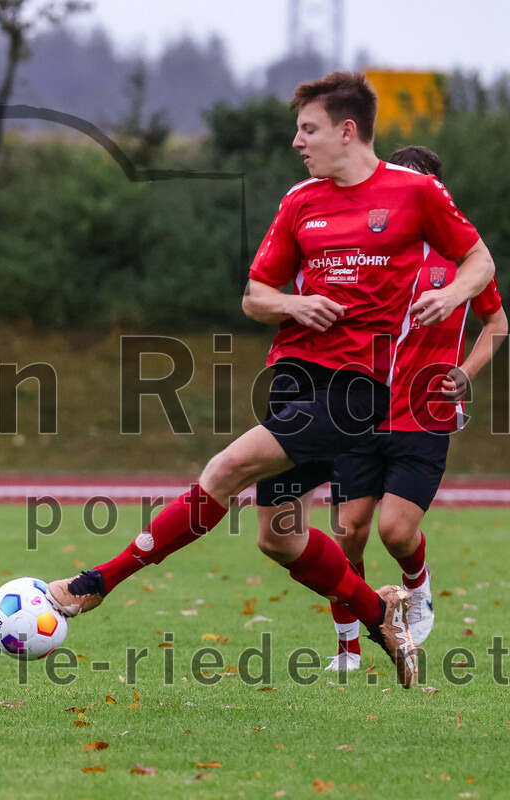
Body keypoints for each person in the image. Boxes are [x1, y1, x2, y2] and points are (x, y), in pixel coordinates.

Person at [45, 72, 496, 689]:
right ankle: (379, 614)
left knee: (226, 468)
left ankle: (96, 582)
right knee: (277, 536)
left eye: (307, 129)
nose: (296, 141)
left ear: (347, 130)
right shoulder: (301, 201)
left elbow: (480, 261)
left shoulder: (414, 193)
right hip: (293, 378)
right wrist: (292, 306)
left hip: (355, 390)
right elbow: (255, 296)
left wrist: (454, 300)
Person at [321, 146, 507, 671]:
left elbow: (498, 323)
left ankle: (416, 585)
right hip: (359, 412)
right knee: (347, 533)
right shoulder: (364, 255)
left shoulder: (465, 261)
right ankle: (349, 647)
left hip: (424, 414)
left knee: (396, 531)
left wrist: (464, 374)